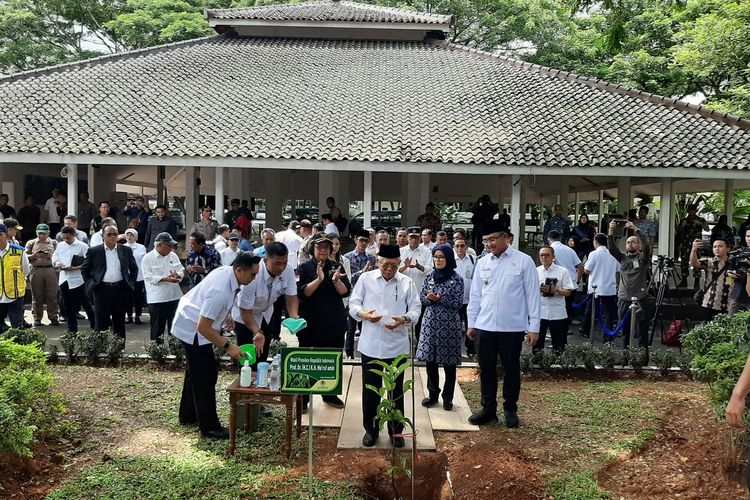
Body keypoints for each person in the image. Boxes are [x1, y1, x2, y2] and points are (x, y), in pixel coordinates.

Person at [171, 253, 262, 440]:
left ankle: (188, 415)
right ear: (239, 270)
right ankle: (209, 428)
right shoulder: (221, 289)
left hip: (193, 319)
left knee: (195, 372)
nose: (254, 279)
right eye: (252, 275)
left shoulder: (227, 273)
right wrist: (230, 347)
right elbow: (203, 327)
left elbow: (212, 302)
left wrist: (225, 315)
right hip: (192, 327)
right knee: (205, 375)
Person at [466, 221, 540, 428]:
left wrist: (533, 327)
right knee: (486, 370)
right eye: (485, 241)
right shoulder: (482, 263)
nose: (488, 244)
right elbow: (475, 296)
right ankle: (488, 409)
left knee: (511, 369)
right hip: (485, 326)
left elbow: (533, 296)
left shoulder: (524, 262)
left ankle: (510, 409)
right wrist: (472, 323)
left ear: (506, 237)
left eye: (492, 239)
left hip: (512, 327)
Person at [349, 244, 420, 448]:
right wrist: (364, 315)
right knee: (371, 390)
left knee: (396, 390)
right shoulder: (366, 279)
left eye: (394, 265)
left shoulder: (407, 282)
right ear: (378, 262)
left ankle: (396, 431)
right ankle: (371, 430)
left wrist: (405, 318)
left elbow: (416, 307)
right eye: (385, 264)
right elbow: (354, 304)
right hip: (371, 344)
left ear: (399, 264)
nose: (389, 269)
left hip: (396, 345)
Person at [297, 234, 352, 410]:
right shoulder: (303, 268)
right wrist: (319, 279)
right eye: (319, 247)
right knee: (308, 359)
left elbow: (345, 292)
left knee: (332, 359)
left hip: (333, 322)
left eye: (326, 247)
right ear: (312, 249)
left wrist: (336, 281)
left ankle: (329, 393)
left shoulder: (337, 267)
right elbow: (302, 293)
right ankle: (303, 398)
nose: (323, 250)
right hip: (310, 324)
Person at [232, 242, 300, 362]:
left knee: (262, 355)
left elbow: (291, 296)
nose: (281, 267)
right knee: (247, 359)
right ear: (265, 260)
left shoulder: (288, 269)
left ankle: (260, 376)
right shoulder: (253, 275)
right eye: (277, 263)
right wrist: (256, 331)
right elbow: (245, 311)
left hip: (266, 314)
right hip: (245, 316)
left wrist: (294, 317)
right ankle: (246, 377)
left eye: (284, 262)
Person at [417, 244, 464, 411]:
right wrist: (430, 299)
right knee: (431, 362)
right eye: (436, 257)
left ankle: (448, 397)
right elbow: (421, 297)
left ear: (449, 258)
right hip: (430, 323)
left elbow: (458, 303)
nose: (438, 260)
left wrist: (440, 299)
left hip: (449, 325)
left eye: (441, 257)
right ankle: (432, 394)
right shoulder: (429, 276)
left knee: (449, 365)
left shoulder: (457, 279)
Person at [81, 225, 139, 337]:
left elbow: (134, 268)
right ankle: (100, 349)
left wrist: (130, 283)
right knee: (101, 322)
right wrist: (90, 283)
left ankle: (119, 348)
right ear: (103, 236)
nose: (112, 237)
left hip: (120, 289)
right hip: (101, 290)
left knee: (119, 322)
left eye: (115, 234)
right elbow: (84, 269)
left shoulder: (125, 250)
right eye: (109, 234)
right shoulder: (94, 251)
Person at [607, 220, 652, 351]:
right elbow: (612, 248)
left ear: (638, 245)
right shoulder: (622, 258)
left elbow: (647, 246)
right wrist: (611, 231)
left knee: (642, 330)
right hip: (623, 299)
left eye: (633, 242)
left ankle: (642, 358)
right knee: (624, 331)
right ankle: (624, 358)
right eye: (628, 242)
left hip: (640, 298)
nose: (630, 243)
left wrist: (635, 229)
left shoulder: (643, 258)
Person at [142, 232, 184, 343]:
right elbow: (148, 277)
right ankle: (157, 354)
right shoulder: (148, 258)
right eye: (169, 245)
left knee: (175, 328)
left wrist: (178, 275)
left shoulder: (173, 255)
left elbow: (181, 269)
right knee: (157, 329)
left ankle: (176, 352)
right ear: (160, 245)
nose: (171, 248)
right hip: (157, 299)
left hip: (175, 296)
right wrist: (166, 279)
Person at [343, 229, 377, 358]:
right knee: (351, 328)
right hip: (353, 295)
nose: (363, 243)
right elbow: (346, 278)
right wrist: (361, 273)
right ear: (355, 240)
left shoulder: (372, 258)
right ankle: (349, 353)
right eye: (361, 240)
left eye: (366, 241)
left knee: (365, 327)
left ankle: (365, 353)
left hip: (368, 296)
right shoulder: (347, 257)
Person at [535, 246, 575, 354]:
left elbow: (568, 292)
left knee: (559, 345)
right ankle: (538, 365)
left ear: (553, 256)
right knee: (537, 345)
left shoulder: (562, 271)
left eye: (547, 255)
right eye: (541, 255)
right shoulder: (535, 271)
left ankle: (559, 367)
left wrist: (555, 291)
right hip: (540, 313)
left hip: (558, 313)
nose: (544, 257)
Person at [579, 234, 619, 340]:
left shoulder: (594, 254)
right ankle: (608, 336)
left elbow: (587, 270)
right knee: (607, 313)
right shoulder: (613, 254)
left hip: (595, 288)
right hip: (610, 287)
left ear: (596, 242)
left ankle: (585, 329)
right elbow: (618, 271)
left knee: (590, 309)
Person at [52, 226, 90, 332]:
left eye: (68, 238)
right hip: (64, 278)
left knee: (86, 303)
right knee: (67, 305)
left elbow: (88, 262)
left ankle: (95, 325)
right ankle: (72, 329)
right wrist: (57, 263)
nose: (66, 240)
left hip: (78, 279)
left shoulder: (83, 246)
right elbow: (55, 257)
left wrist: (75, 268)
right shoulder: (60, 245)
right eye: (64, 238)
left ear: (74, 235)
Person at [690, 237, 733, 321]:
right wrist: (694, 250)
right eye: (714, 246)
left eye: (720, 246)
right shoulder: (709, 261)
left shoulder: (733, 263)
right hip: (710, 303)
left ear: (728, 249)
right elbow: (694, 263)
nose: (717, 249)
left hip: (728, 303)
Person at [25, 224, 59, 326]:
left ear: (48, 233)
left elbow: (60, 255)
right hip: (36, 270)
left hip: (50, 269)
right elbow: (24, 256)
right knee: (36, 295)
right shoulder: (31, 243)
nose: (41, 236)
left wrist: (51, 257)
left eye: (43, 233)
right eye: (39, 233)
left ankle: (53, 317)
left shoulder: (54, 243)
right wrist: (33, 256)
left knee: (52, 295)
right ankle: (37, 318)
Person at [0, 223, 29, 331]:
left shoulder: (18, 251)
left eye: (0, 234)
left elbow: (25, 271)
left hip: (15, 294)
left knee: (17, 327)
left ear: (6, 235)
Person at [677, 204, 709, 288]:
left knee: (697, 262)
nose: (691, 211)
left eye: (693, 210)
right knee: (684, 262)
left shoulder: (701, 219)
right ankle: (684, 281)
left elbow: (707, 228)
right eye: (690, 210)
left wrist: (700, 223)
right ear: (688, 211)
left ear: (696, 211)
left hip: (696, 244)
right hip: (685, 244)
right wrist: (682, 225)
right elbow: (678, 231)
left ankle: (697, 282)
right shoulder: (684, 220)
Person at [454, 238, 476, 356]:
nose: (459, 248)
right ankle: (456, 350)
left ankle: (471, 351)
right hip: (456, 300)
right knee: (455, 327)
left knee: (470, 325)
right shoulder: (451, 260)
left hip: (470, 300)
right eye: (457, 246)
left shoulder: (473, 260)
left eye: (462, 246)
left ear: (467, 247)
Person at [123, 229, 147, 324]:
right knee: (128, 297)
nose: (129, 237)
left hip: (139, 276)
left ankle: (138, 316)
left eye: (131, 235)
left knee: (138, 297)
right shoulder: (122, 247)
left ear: (135, 237)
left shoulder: (141, 247)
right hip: (127, 276)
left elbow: (144, 262)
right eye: (128, 235)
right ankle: (129, 316)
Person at [728, 231, 750, 314]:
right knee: (732, 324)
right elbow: (728, 274)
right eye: (747, 236)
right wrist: (730, 277)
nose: (749, 239)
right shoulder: (738, 253)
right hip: (737, 297)